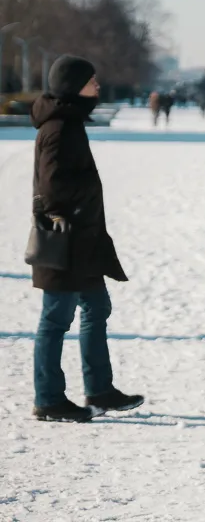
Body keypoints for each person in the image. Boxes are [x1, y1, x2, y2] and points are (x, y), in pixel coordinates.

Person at [30, 56, 144, 423]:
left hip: (84, 240)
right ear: (72, 85)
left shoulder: (71, 121)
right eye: (90, 80)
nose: (97, 84)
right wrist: (73, 213)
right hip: (66, 241)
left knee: (96, 308)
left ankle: (100, 390)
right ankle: (48, 399)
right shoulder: (59, 127)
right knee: (55, 319)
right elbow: (52, 186)